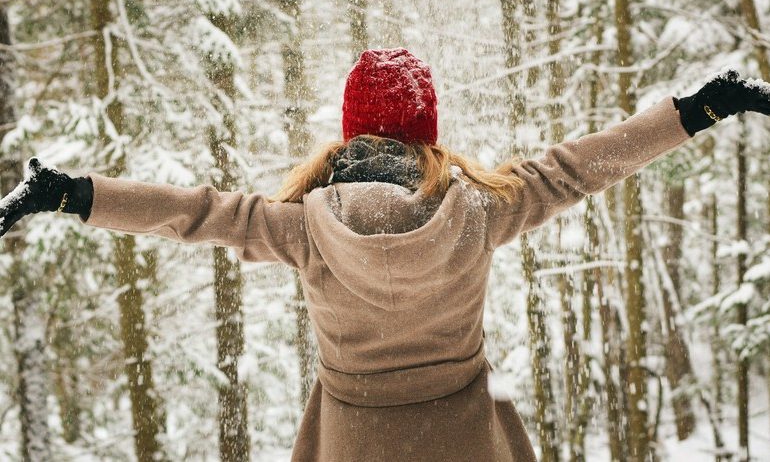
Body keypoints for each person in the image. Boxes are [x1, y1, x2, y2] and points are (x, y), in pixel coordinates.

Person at [1, 48, 769, 461]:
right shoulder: (480, 210)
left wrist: (74, 194)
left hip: (351, 442)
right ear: (426, 130)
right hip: (470, 440)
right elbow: (577, 168)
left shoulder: (300, 225)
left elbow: (194, 215)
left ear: (349, 131)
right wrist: (698, 111)